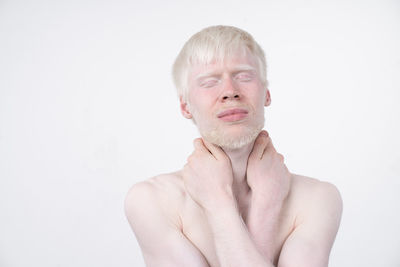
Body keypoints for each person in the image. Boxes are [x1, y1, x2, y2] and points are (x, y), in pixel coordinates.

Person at [125, 25, 342, 267]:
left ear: (267, 94)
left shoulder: (318, 199)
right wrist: (221, 201)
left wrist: (266, 206)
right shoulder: (151, 201)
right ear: (185, 106)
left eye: (243, 76)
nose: (230, 91)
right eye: (209, 82)